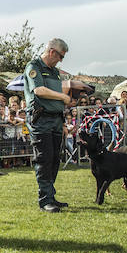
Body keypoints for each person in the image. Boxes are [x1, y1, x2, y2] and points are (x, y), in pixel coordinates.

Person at [24, 38, 72, 213]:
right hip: (40, 119)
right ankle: (45, 200)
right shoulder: (33, 66)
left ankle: (50, 195)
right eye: (60, 56)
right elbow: (39, 91)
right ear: (52, 52)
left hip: (56, 119)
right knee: (44, 158)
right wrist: (63, 97)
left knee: (54, 159)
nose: (61, 60)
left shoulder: (55, 72)